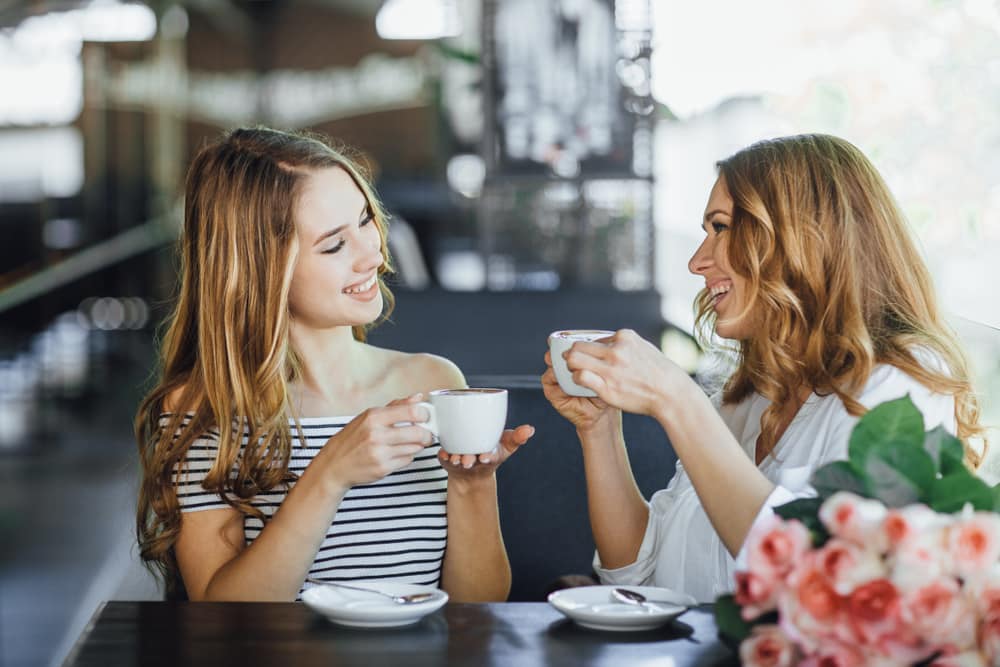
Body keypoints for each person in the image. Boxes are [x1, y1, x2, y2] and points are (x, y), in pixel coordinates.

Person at [542, 133, 985, 603]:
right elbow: (637, 579)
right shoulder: (750, 397)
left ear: (802, 239)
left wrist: (676, 398)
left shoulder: (900, 383)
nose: (697, 261)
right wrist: (600, 430)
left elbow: (830, 591)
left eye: (721, 227)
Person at [135, 127, 534, 602]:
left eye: (366, 220)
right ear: (260, 270)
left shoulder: (434, 382)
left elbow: (478, 609)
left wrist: (473, 487)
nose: (373, 254)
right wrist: (330, 474)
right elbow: (225, 613)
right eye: (333, 244)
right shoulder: (203, 413)